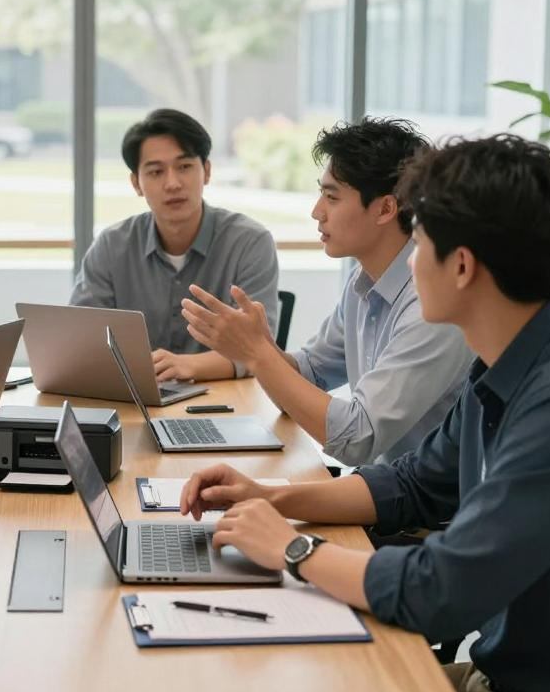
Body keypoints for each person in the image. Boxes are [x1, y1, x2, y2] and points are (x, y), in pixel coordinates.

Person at [181, 134, 550, 692]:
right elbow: (413, 483)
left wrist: (292, 547)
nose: (411, 261)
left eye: (421, 242)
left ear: (461, 265)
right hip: (498, 690)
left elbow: (446, 587)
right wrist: (273, 495)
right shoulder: (508, 362)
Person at [182, 117, 472, 467]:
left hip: (427, 514)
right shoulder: (362, 281)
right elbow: (309, 373)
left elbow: (357, 439)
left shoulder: (431, 303)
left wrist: (258, 354)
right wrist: (253, 347)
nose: (316, 212)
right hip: (382, 494)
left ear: (385, 209)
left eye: (331, 197)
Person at [70, 108, 279, 382]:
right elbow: (81, 343)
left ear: (206, 171)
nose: (172, 183)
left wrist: (187, 366)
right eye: (156, 172)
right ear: (136, 183)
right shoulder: (111, 246)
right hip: (134, 401)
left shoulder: (249, 243)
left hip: (226, 406)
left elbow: (259, 349)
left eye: (184, 167)